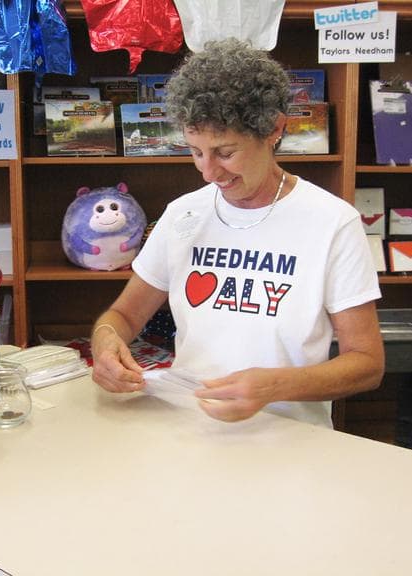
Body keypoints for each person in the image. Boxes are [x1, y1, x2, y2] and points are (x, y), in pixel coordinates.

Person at [90, 38, 384, 428]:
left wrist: (274, 386)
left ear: (275, 129)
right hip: (187, 429)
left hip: (288, 440)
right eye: (195, 151)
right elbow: (124, 315)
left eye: (226, 152)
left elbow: (366, 364)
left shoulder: (333, 223)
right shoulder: (182, 214)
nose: (209, 172)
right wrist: (105, 341)